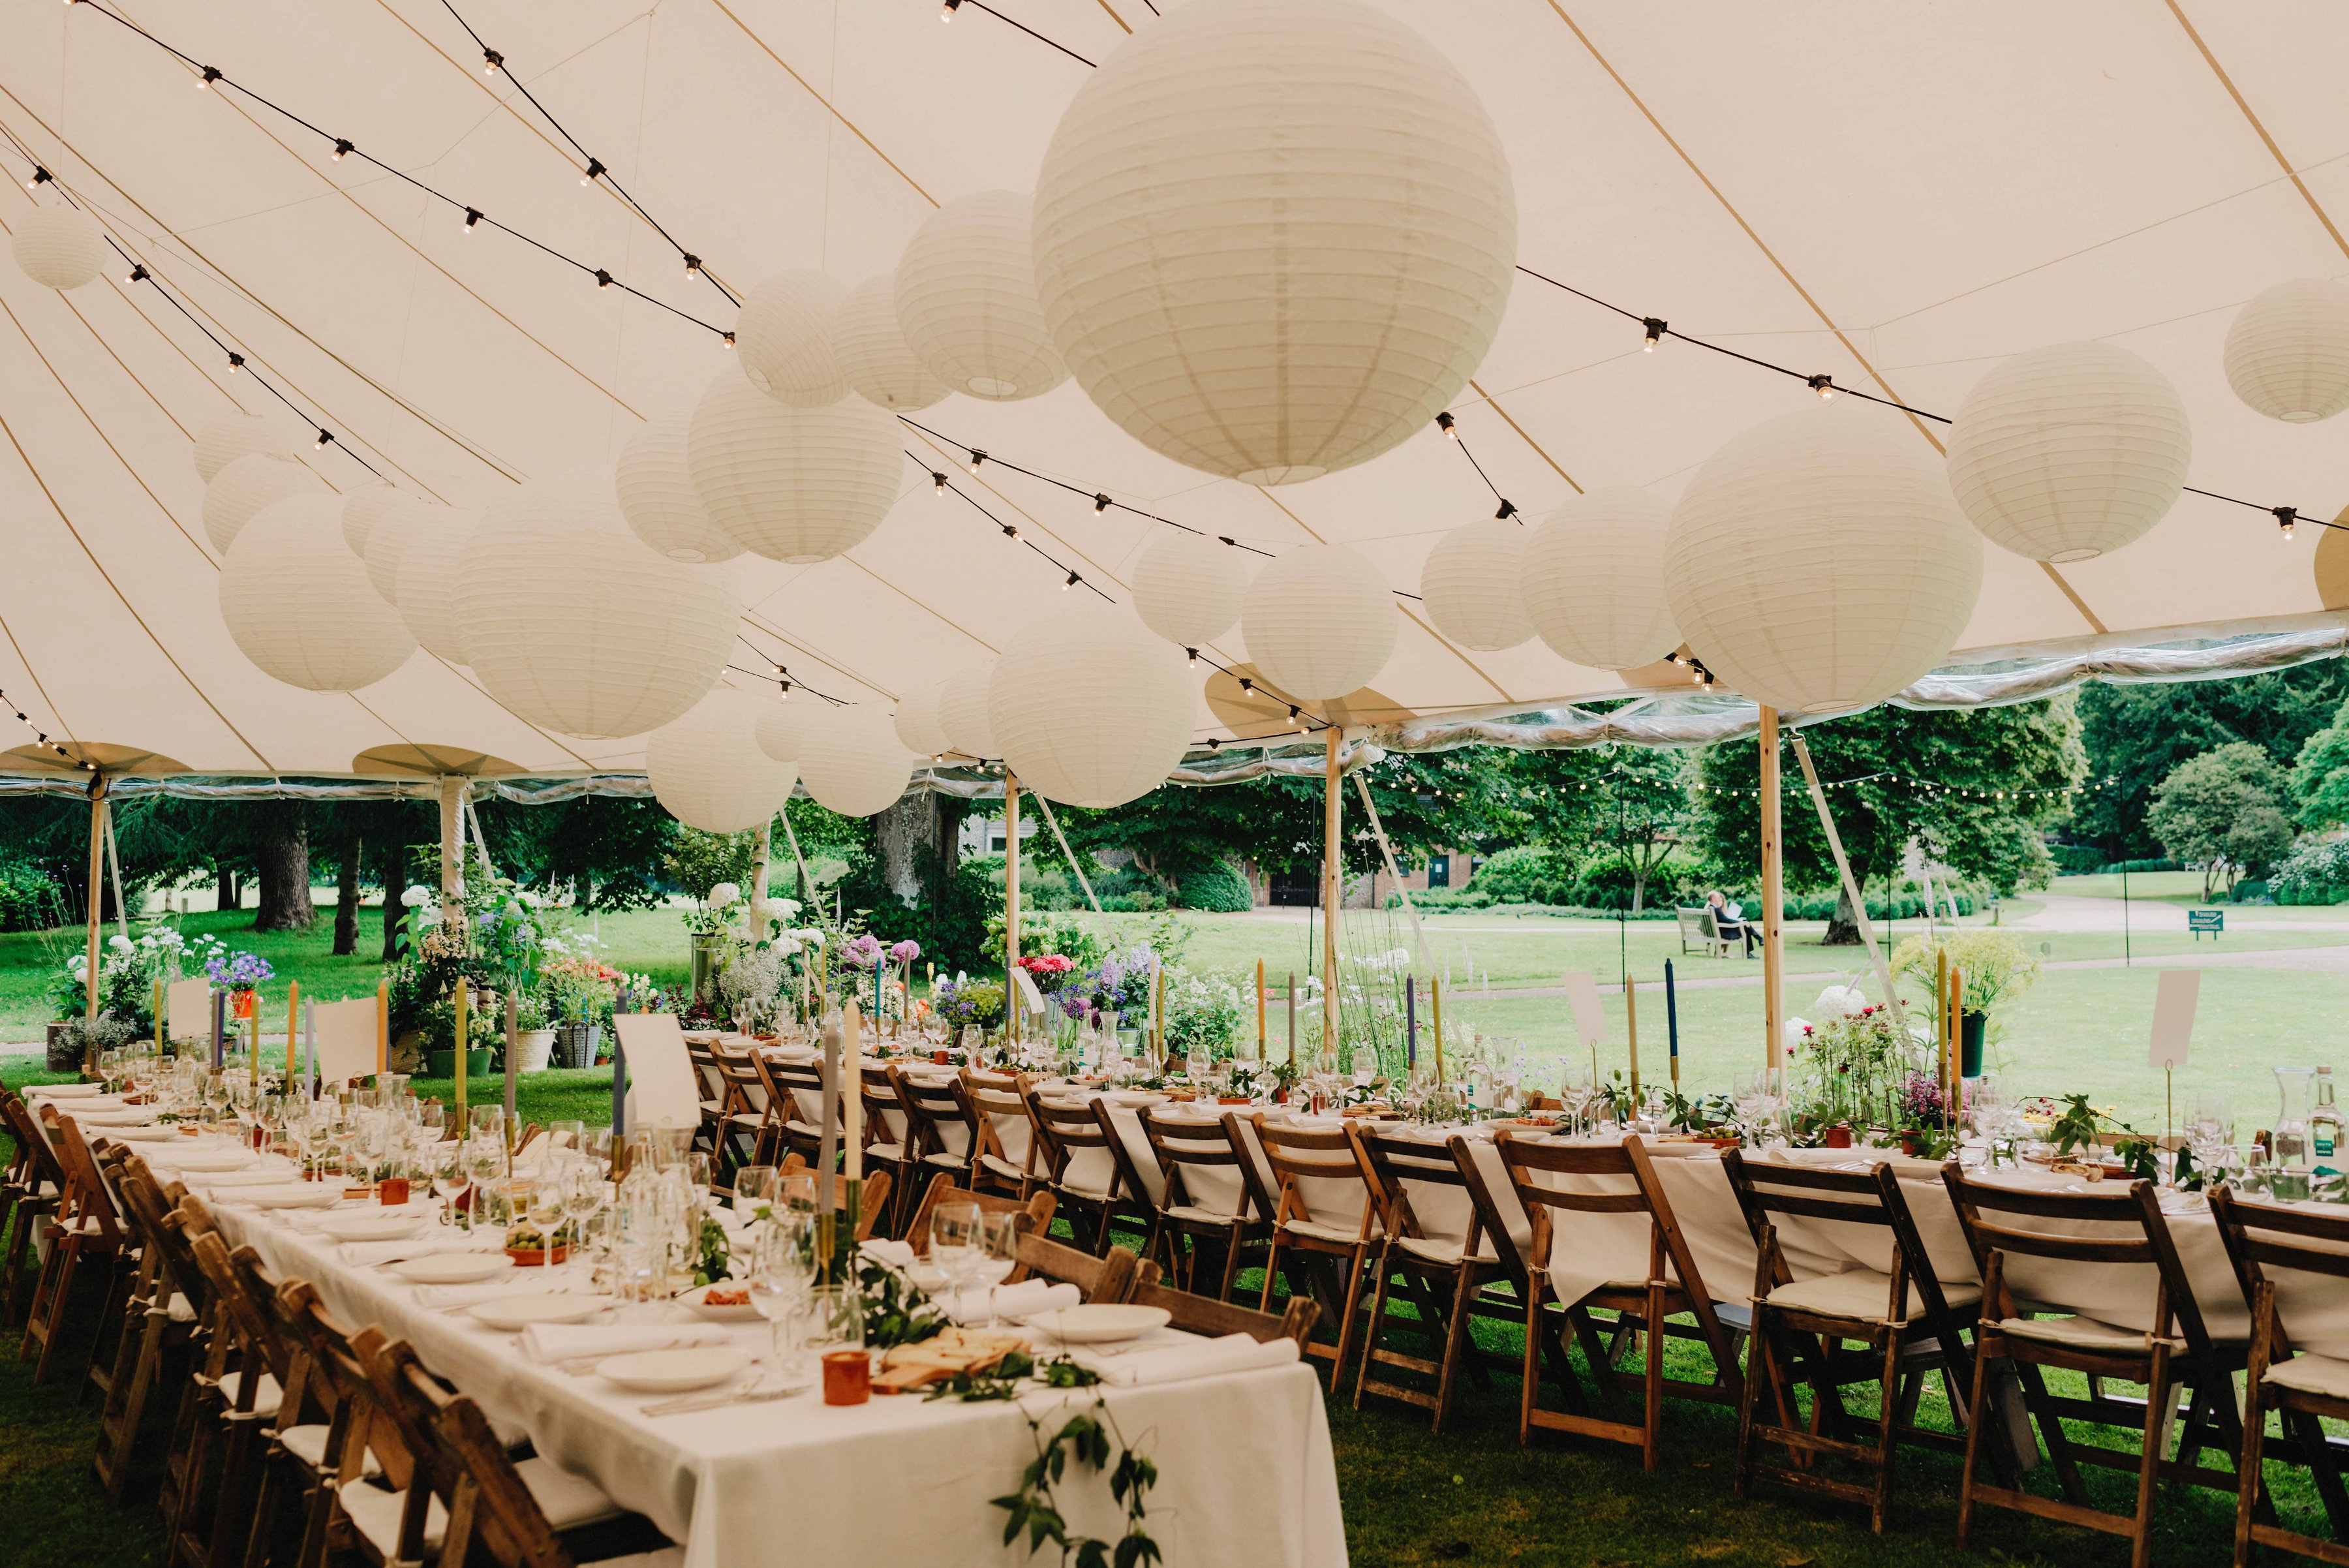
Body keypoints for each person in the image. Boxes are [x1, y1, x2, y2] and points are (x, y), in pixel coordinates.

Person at [1706, 889, 1758, 957]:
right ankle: (1749, 951)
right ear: (1713, 899)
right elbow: (1726, 920)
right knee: (1745, 928)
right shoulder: (1715, 909)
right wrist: (1740, 922)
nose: (1719, 899)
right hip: (1722, 933)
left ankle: (1758, 938)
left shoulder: (1708, 908)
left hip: (1714, 932)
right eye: (1718, 898)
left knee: (1745, 925)